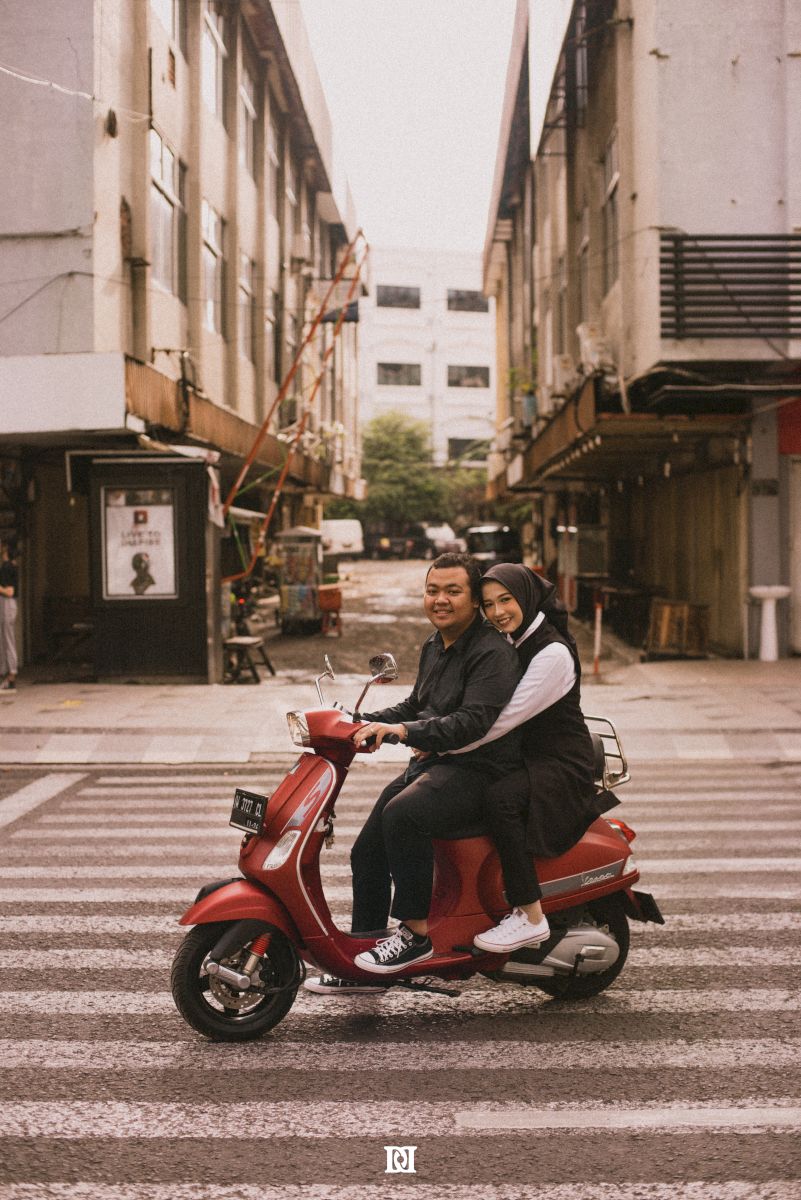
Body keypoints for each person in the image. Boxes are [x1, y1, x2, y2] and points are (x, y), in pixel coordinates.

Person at [304, 552, 521, 994]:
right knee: (367, 851)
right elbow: (417, 705)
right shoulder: (434, 645)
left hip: (479, 769)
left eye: (453, 591)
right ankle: (365, 964)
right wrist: (358, 721)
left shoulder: (491, 652)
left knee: (403, 815)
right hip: (435, 762)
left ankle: (415, 937)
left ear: (474, 599)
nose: (440, 600)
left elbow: (472, 721)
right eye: (432, 590)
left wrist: (402, 731)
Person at [453, 562, 614, 953]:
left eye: (505, 600)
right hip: (530, 755)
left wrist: (446, 744)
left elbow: (506, 718)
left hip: (561, 763)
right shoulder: (514, 640)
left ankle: (530, 915)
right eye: (488, 604)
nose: (497, 612)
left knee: (500, 800)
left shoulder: (551, 652)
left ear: (525, 597)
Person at [0, 541, 19, 691]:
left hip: (7, 603)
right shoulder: (10, 566)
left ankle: (11, 673)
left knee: (7, 639)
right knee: (5, 639)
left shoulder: (7, 567)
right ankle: (7, 672)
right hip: (7, 603)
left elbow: (9, 592)